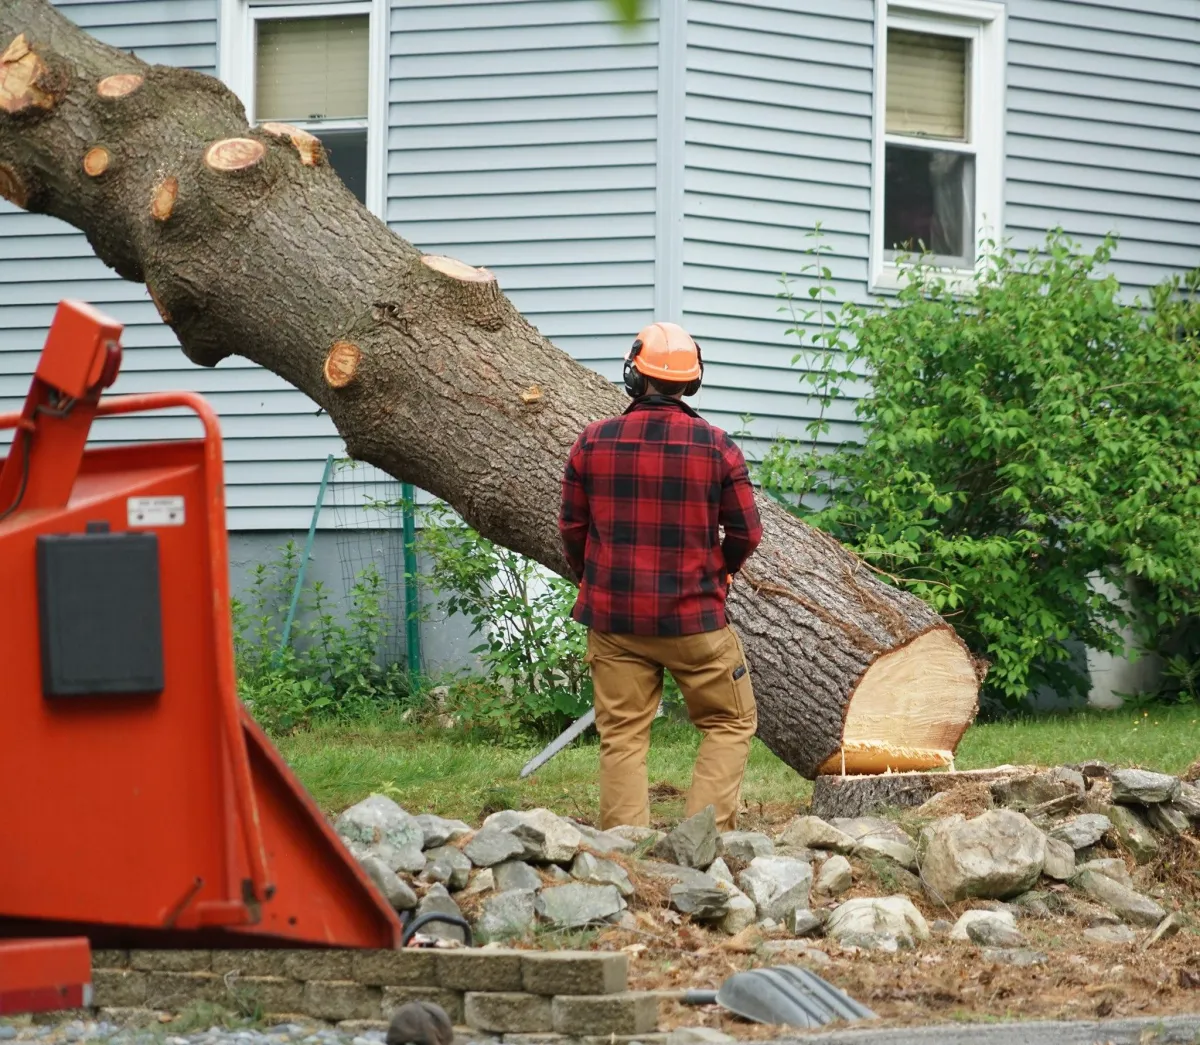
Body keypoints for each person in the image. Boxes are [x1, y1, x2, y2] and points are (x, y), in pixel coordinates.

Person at [558, 321, 763, 832]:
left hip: (614, 620)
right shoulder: (718, 448)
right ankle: (704, 842)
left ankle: (624, 855)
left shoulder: (591, 442)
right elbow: (746, 533)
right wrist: (722, 570)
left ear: (634, 374)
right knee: (730, 721)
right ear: (692, 382)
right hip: (695, 620)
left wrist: (597, 580)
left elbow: (572, 529)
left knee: (622, 735)